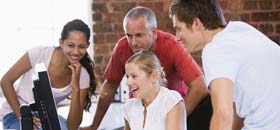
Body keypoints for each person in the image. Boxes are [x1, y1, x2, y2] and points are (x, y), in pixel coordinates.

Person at [81, 6, 209, 130]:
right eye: (129, 35)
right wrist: (94, 125)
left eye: (139, 35)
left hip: (172, 110)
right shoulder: (123, 46)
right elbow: (110, 85)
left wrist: (174, 117)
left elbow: (200, 87)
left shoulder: (171, 45)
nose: (133, 42)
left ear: (153, 33)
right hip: (139, 111)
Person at [169, 0, 280, 130]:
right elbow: (234, 108)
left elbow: (223, 113)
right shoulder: (240, 29)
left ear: (196, 23)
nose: (177, 37)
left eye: (178, 29)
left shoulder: (216, 49)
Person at [0, 19, 96, 130]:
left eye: (81, 46)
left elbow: (73, 127)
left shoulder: (82, 75)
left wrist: (75, 88)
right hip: (14, 113)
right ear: (61, 42)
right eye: (70, 45)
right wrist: (22, 116)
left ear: (87, 46)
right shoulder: (39, 53)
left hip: (47, 117)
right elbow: (5, 81)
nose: (76, 52)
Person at [124, 50, 186, 130]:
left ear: (154, 76)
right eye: (127, 77)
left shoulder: (171, 100)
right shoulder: (129, 106)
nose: (128, 82)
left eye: (134, 76)